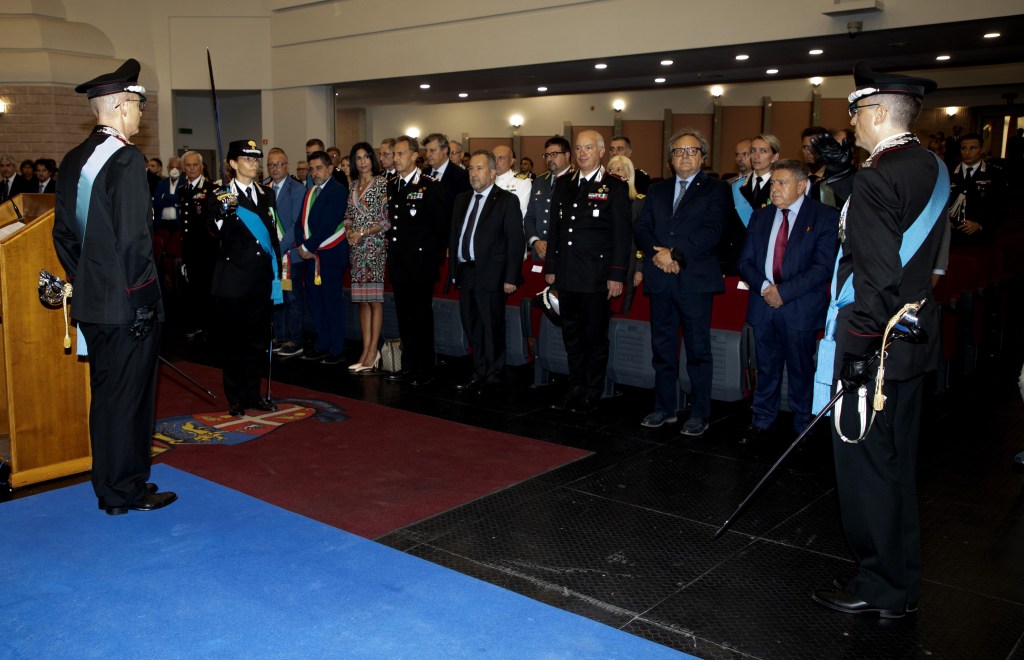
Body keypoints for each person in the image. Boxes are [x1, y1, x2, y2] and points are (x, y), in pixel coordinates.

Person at [811, 62, 946, 619]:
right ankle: (900, 584)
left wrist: (860, 351)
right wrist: (845, 175)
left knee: (866, 471)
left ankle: (878, 585)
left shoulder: (878, 176)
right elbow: (893, 228)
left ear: (879, 112)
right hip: (912, 340)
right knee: (896, 467)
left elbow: (876, 275)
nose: (851, 123)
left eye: (856, 112)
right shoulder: (929, 165)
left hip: (875, 343)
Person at [52, 57, 176, 515]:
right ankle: (126, 490)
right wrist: (142, 301)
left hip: (93, 303)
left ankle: (108, 484)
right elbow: (135, 241)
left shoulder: (72, 160)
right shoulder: (126, 158)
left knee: (106, 397)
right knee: (131, 399)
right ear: (122, 106)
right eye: (139, 105)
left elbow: (63, 237)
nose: (142, 114)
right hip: (129, 305)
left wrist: (90, 281)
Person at [635, 128, 730, 434]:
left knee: (698, 351)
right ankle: (665, 407)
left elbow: (713, 231)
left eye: (691, 151)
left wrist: (675, 254)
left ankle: (700, 413)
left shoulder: (717, 189)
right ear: (670, 159)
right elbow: (642, 227)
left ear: (703, 157)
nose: (685, 156)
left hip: (695, 281)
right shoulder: (657, 190)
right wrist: (659, 256)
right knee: (662, 348)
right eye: (678, 151)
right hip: (660, 277)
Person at [736, 160, 838, 444]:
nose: (774, 189)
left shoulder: (824, 216)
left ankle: (803, 426)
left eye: (782, 183)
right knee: (766, 368)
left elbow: (823, 266)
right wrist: (766, 288)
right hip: (763, 305)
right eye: (773, 183)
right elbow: (744, 261)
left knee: (800, 370)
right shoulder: (761, 216)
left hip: (800, 308)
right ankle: (762, 421)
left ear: (802, 186)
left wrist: (784, 292)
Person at [544, 130, 630, 413]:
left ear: (601, 151)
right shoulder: (565, 183)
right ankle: (576, 386)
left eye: (589, 148)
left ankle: (592, 390)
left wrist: (617, 275)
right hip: (568, 273)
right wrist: (551, 267)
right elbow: (555, 229)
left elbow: (622, 236)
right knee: (572, 336)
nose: (582, 153)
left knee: (594, 337)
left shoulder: (613, 185)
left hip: (596, 276)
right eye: (579, 148)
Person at [210, 139, 283, 416]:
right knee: (234, 342)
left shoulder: (266, 194)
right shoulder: (221, 194)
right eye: (247, 159)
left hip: (261, 279)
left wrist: (277, 273)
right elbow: (213, 231)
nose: (254, 164)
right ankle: (235, 397)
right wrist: (222, 213)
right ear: (232, 163)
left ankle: (253, 394)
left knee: (257, 342)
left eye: (256, 159)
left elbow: (272, 235)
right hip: (233, 281)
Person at [449, 150, 524, 393]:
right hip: (467, 271)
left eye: (479, 168)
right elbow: (455, 236)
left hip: (493, 274)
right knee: (472, 325)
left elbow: (516, 242)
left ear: (493, 172)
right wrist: (454, 271)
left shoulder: (506, 200)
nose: (474, 174)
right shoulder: (461, 199)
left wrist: (510, 277)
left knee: (492, 327)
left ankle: (493, 376)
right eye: (471, 168)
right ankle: (479, 370)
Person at [385, 135, 447, 386]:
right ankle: (409, 365)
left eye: (400, 154)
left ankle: (425, 369)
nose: (396, 158)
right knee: (404, 317)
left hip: (421, 263)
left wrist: (433, 258)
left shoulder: (429, 185)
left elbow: (440, 227)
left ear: (414, 156)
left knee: (421, 317)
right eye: (394, 154)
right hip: (399, 262)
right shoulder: (393, 184)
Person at [297, 150, 350, 365]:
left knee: (331, 303)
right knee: (316, 303)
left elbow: (329, 224)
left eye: (319, 168)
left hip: (330, 256)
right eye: (312, 169)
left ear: (330, 168)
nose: (315, 173)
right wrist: (301, 245)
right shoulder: (310, 192)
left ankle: (337, 348)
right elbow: (300, 223)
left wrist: (307, 246)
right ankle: (322, 344)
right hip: (312, 256)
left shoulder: (338, 191)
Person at [344, 142, 390, 372]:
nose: (362, 162)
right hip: (356, 249)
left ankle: (373, 351)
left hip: (374, 248)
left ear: (373, 159)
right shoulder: (353, 185)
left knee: (374, 300)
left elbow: (385, 221)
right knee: (362, 301)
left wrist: (362, 233)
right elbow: (348, 216)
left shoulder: (382, 183)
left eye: (366, 157)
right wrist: (349, 232)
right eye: (358, 158)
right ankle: (365, 350)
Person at [265, 147, 308, 357]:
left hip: (289, 255)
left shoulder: (297, 189)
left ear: (287, 166)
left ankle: (295, 339)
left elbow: (295, 225)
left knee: (292, 298)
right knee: (276, 296)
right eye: (271, 164)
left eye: (279, 164)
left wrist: (278, 249)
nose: (275, 168)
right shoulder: (264, 189)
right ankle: (280, 336)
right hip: (271, 255)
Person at [178, 150, 220, 341]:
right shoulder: (182, 189)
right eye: (188, 165)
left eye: (195, 164)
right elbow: (184, 223)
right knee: (194, 289)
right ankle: (199, 324)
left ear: (202, 166)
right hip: (190, 249)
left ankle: (212, 327)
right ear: (183, 168)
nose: (192, 168)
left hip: (207, 249)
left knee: (208, 288)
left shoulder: (211, 189)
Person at [948, 132, 1006, 245]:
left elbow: (1001, 206)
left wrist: (980, 225)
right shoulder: (949, 172)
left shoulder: (994, 174)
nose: (967, 152)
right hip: (951, 235)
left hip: (980, 237)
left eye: (973, 148)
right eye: (963, 148)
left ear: (982, 149)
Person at [606, 154, 646, 314]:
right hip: (603, 261)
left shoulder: (639, 202)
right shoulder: (601, 200)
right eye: (611, 170)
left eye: (619, 169)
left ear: (629, 174)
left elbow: (642, 238)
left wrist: (639, 268)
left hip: (629, 262)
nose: (614, 173)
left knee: (622, 308)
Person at [524, 136, 573, 262]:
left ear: (567, 155)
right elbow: (530, 217)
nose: (549, 159)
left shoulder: (577, 181)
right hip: (539, 254)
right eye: (546, 155)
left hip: (565, 255)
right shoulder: (539, 181)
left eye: (554, 154)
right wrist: (535, 241)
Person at [493, 144, 531, 218]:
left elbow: (521, 211)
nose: (496, 162)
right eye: (493, 158)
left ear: (512, 161)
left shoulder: (522, 182)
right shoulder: (486, 181)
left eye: (501, 158)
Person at [152, 155, 182, 232]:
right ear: (168, 168)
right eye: (172, 167)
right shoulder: (161, 183)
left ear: (181, 169)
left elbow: (182, 199)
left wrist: (165, 196)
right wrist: (175, 203)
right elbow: (156, 202)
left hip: (179, 224)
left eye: (177, 168)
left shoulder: (185, 183)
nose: (174, 170)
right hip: (162, 223)